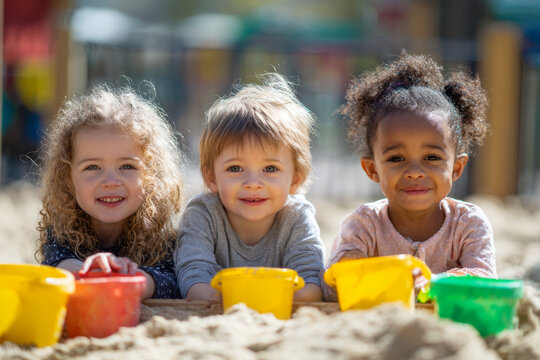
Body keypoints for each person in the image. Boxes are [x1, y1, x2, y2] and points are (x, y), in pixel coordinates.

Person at [324, 52, 496, 300]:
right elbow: (334, 286)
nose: (415, 172)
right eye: (396, 159)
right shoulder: (364, 224)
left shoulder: (468, 223)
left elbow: (484, 280)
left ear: (457, 168)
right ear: (372, 169)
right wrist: (381, 275)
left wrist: (430, 283)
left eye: (432, 158)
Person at [175, 73, 325, 302]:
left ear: (296, 178)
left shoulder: (296, 216)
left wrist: (257, 299)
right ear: (211, 177)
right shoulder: (202, 214)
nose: (253, 183)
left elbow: (312, 285)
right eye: (235, 169)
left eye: (270, 169)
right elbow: (194, 282)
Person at [37, 84, 184, 299]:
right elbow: (55, 266)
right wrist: (89, 271)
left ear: (151, 174)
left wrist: (136, 281)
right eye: (92, 167)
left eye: (127, 166)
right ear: (68, 178)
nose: (110, 182)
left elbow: (172, 282)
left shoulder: (161, 232)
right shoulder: (63, 228)